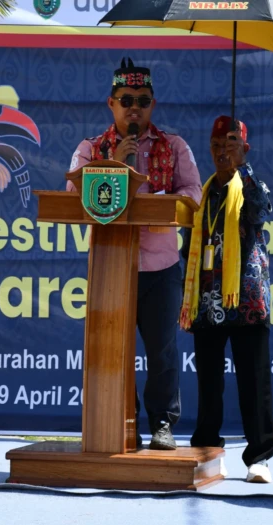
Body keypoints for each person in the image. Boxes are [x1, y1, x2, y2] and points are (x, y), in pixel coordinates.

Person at [67, 58, 202, 450]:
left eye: (142, 100)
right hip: (112, 268)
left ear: (152, 105)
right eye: (126, 100)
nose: (134, 108)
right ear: (111, 104)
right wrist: (113, 164)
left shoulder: (173, 146)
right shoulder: (91, 149)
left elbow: (193, 193)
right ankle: (116, 423)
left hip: (160, 267)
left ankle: (162, 424)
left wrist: (169, 208)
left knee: (162, 352)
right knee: (111, 349)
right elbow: (75, 199)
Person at [179, 116, 273, 483]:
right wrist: (187, 296)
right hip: (208, 303)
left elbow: (261, 209)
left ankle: (259, 458)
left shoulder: (251, 184)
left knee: (254, 382)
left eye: (232, 143)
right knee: (208, 384)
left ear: (244, 149)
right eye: (217, 144)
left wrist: (244, 169)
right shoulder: (202, 194)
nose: (223, 150)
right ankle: (207, 451)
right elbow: (189, 245)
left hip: (247, 301)